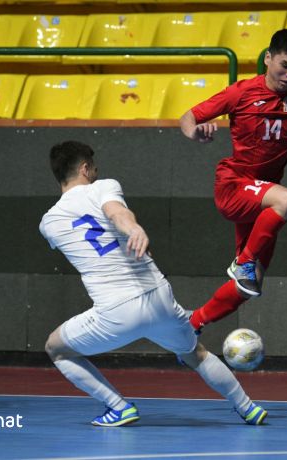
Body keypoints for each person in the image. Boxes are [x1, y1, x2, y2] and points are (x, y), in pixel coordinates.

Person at [40, 140, 267, 427]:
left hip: (116, 313)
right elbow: (115, 212)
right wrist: (133, 228)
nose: (97, 172)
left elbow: (93, 237)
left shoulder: (48, 223)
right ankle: (248, 408)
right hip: (159, 297)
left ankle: (118, 407)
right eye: (94, 167)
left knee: (55, 348)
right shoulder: (103, 186)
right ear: (85, 168)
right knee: (195, 353)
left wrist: (127, 232)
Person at [180, 28, 287, 332]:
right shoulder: (241, 92)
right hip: (234, 185)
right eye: (284, 65)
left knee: (251, 285)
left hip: (262, 201)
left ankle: (192, 323)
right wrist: (195, 133)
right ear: (268, 58)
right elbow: (188, 118)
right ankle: (242, 261)